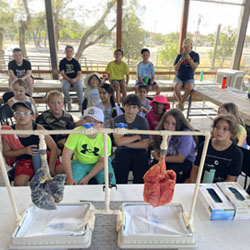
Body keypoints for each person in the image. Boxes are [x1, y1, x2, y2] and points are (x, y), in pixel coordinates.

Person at [1, 101, 63, 186]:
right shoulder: (9, 132)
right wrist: (24, 151)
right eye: (18, 113)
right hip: (24, 161)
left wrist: (51, 168)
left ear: (32, 116)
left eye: (26, 113)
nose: (22, 116)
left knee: (62, 172)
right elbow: (6, 153)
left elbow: (54, 148)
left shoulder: (38, 128)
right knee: (19, 183)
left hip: (44, 157)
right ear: (14, 116)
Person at [62, 106, 116, 185]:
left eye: (94, 121)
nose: (90, 124)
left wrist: (87, 178)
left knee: (110, 184)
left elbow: (102, 161)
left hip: (99, 163)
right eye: (87, 120)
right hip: (79, 162)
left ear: (102, 125)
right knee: (71, 185)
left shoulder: (105, 138)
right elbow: (66, 155)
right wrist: (70, 177)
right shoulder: (76, 132)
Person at [188, 114, 243, 183]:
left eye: (225, 129)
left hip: (220, 187)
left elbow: (230, 179)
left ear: (232, 132)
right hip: (200, 183)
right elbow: (196, 167)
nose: (220, 131)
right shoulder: (205, 145)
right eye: (217, 127)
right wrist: (193, 183)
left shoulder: (236, 153)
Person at [112, 94, 150, 184]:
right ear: (124, 106)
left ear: (138, 109)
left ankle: (138, 194)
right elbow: (118, 142)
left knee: (141, 175)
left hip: (139, 152)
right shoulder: (117, 120)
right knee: (120, 176)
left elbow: (145, 144)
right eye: (128, 106)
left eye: (134, 107)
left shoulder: (142, 121)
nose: (131, 110)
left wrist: (124, 142)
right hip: (122, 151)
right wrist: (137, 136)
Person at [151, 109, 196, 183]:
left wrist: (160, 158)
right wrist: (156, 152)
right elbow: (159, 149)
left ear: (179, 124)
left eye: (173, 124)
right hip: (166, 158)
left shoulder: (186, 134)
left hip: (183, 162)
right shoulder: (162, 131)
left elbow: (180, 158)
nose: (169, 126)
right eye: (166, 122)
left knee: (169, 177)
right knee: (152, 171)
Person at [173, 38, 199, 111]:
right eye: (184, 46)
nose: (186, 48)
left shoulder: (195, 55)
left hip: (189, 78)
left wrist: (189, 59)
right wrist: (180, 61)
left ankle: (180, 104)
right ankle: (181, 103)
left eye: (187, 46)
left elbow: (194, 67)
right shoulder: (179, 55)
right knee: (176, 87)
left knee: (189, 87)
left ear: (191, 46)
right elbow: (175, 68)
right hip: (179, 77)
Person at [59, 45, 83, 111]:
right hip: (66, 79)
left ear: (73, 53)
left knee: (79, 87)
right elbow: (62, 73)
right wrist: (69, 79)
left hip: (75, 78)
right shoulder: (62, 62)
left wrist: (75, 79)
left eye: (70, 51)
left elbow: (79, 73)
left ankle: (81, 104)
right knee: (64, 88)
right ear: (65, 52)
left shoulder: (75, 62)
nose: (69, 53)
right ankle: (68, 101)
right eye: (67, 51)